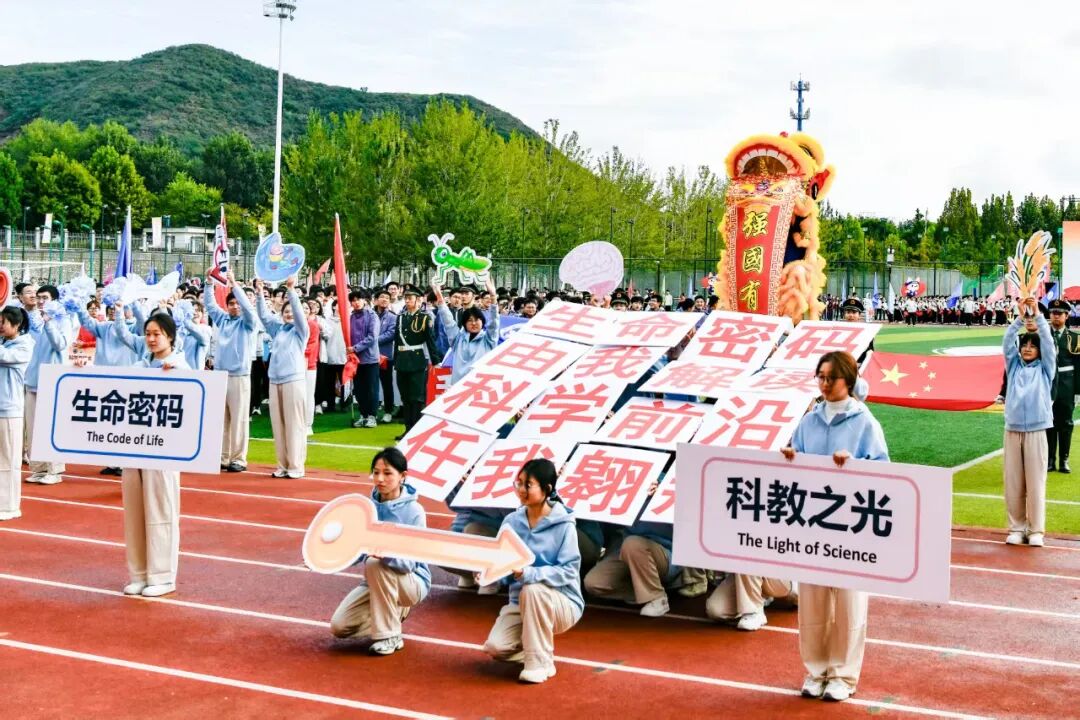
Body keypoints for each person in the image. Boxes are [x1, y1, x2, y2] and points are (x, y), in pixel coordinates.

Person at [781, 350, 888, 702]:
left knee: (848, 603)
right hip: (813, 525)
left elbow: (884, 472)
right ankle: (816, 669)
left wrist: (854, 465)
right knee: (812, 601)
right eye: (821, 377)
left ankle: (842, 673)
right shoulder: (809, 420)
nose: (825, 384)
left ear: (849, 381)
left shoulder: (865, 422)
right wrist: (790, 458)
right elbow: (795, 455)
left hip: (850, 529)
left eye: (832, 378)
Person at [483, 458, 583, 684]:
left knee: (533, 589)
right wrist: (488, 575)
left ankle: (538, 663)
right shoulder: (511, 521)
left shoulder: (564, 525)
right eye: (518, 483)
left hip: (561, 602)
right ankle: (537, 651)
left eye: (528, 485)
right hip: (520, 603)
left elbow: (568, 571)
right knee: (495, 648)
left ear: (547, 489)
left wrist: (529, 574)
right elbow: (502, 564)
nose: (520, 490)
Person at [330, 447, 430, 655]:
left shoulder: (414, 512)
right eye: (376, 472)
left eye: (387, 473)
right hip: (376, 582)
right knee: (340, 627)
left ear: (403, 476)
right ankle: (392, 613)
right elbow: (356, 550)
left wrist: (385, 553)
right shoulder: (367, 508)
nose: (380, 479)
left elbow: (410, 563)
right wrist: (328, 557)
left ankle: (390, 636)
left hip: (411, 582)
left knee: (374, 562)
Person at [119, 312, 189, 598]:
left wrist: (173, 375)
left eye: (157, 333)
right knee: (134, 510)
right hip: (134, 446)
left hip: (164, 449)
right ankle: (139, 573)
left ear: (170, 336)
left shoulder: (181, 366)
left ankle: (162, 575)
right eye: (147, 333)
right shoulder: (137, 365)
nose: (151, 338)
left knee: (160, 509)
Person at [1002, 296, 1054, 547]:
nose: (1027, 349)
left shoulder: (1046, 369)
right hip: (1012, 429)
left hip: (1036, 429)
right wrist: (1020, 318)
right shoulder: (1013, 367)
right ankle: (1016, 527)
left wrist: (1038, 318)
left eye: (1032, 346)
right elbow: (1006, 344)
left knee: (1035, 482)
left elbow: (1049, 343)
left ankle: (1035, 531)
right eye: (1025, 345)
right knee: (1013, 482)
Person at [255, 276, 310, 479]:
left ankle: (296, 466)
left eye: (291, 312)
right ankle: (282, 465)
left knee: (294, 423)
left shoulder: (301, 331)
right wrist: (260, 292)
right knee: (278, 425)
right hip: (275, 380)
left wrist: (292, 291)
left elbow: (298, 314)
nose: (289, 314)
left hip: (293, 380)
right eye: (285, 311)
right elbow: (262, 315)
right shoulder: (277, 329)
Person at [204, 273, 257, 473]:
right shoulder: (223, 319)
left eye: (237, 303)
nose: (235, 306)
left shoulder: (248, 322)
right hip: (220, 374)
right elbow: (210, 305)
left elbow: (250, 310)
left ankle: (239, 458)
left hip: (239, 375)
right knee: (222, 419)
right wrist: (209, 283)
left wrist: (234, 285)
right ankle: (224, 456)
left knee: (239, 419)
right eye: (231, 303)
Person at [25, 285, 72, 486]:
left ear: (54, 299)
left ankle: (54, 469)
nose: (40, 301)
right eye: (38, 297)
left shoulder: (64, 320)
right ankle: (38, 468)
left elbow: (61, 345)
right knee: (33, 427)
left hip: (53, 379)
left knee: (50, 427)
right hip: (33, 378)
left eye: (44, 297)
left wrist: (50, 322)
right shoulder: (35, 320)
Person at [394, 285, 440, 439]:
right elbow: (397, 339)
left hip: (417, 359)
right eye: (405, 298)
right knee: (405, 397)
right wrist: (396, 360)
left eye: (410, 298)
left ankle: (415, 429)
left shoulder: (424, 318)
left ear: (418, 300)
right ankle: (407, 428)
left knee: (417, 397)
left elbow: (430, 340)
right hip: (402, 360)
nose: (407, 301)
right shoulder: (401, 317)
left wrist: (435, 360)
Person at [433, 277, 499, 385]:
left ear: (482, 322)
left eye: (477, 320)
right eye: (469, 321)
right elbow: (448, 321)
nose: (473, 323)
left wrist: (493, 296)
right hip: (458, 387)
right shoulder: (457, 339)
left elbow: (494, 322)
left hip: (480, 386)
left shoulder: (489, 340)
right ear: (464, 324)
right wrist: (439, 296)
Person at [0, 307, 32, 521]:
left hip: (10, 409)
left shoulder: (25, 345)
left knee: (9, 459)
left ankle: (9, 506)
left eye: (3, 322)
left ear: (17, 324)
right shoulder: (4, 343)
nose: (1, 325)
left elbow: (5, 358)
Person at [1046, 299, 1079, 473]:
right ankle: (1050, 460)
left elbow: (1079, 367)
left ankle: (1064, 460)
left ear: (1067, 316)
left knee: (1065, 423)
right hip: (1047, 386)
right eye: (1053, 313)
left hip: (1067, 385)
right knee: (1048, 423)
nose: (1055, 316)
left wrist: (1078, 392)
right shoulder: (1043, 336)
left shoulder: (1074, 338)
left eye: (1059, 314)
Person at [705, 574, 798, 631]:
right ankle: (760, 593)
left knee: (748, 550)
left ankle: (754, 612)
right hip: (748, 570)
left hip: (785, 570)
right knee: (715, 610)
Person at [348, 290, 381, 429]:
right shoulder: (351, 317)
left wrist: (355, 348)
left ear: (364, 300)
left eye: (358, 299)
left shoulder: (372, 315)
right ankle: (363, 415)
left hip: (370, 358)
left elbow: (372, 337)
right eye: (353, 300)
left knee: (371, 388)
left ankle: (372, 415)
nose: (356, 303)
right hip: (355, 359)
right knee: (359, 389)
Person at [373, 288, 398, 423]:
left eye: (387, 298)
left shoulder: (393, 317)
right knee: (371, 384)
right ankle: (372, 411)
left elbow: (391, 334)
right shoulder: (370, 315)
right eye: (382, 297)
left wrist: (372, 341)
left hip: (385, 356)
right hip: (370, 356)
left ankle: (388, 411)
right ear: (376, 300)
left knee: (387, 384)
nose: (384, 300)